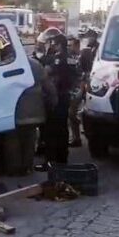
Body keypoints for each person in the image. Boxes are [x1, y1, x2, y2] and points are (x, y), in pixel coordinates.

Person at [36, 34, 75, 170]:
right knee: (62, 129)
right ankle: (62, 160)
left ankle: (50, 162)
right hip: (65, 96)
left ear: (58, 44)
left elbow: (46, 71)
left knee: (50, 131)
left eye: (53, 44)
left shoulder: (59, 58)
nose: (51, 46)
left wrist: (42, 58)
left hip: (57, 97)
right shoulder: (71, 57)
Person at [67, 36, 84, 147]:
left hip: (79, 88)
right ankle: (76, 137)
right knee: (72, 114)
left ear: (77, 45)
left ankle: (77, 138)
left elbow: (83, 74)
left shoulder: (81, 56)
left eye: (71, 45)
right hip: (74, 88)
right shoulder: (73, 56)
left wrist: (81, 89)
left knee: (72, 113)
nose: (69, 47)